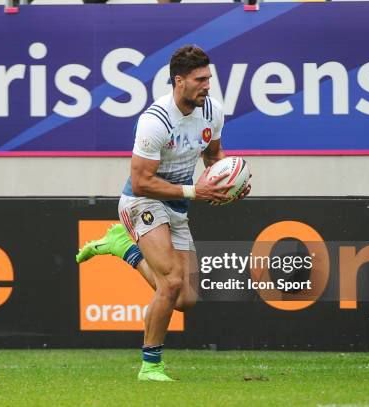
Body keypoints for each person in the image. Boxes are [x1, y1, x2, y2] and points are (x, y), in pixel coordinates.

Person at [76, 45, 251, 381]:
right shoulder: (155, 121)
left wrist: (230, 181)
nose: (207, 85)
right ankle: (150, 365)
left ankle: (122, 247)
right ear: (179, 81)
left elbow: (213, 157)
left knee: (186, 298)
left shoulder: (212, 111)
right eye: (200, 79)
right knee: (170, 282)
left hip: (179, 204)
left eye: (209, 78)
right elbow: (142, 182)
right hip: (141, 202)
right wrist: (194, 191)